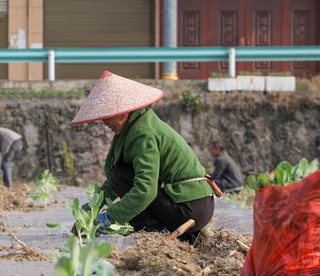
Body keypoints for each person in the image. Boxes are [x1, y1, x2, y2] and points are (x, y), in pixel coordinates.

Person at [72, 71, 215, 242]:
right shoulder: (132, 128)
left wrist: (107, 218)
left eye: (109, 116)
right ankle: (160, 226)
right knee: (122, 173)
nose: (105, 122)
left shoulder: (143, 133)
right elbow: (114, 182)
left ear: (126, 110)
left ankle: (156, 227)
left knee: (123, 175)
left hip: (189, 207)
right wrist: (93, 208)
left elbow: (145, 189)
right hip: (188, 204)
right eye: (103, 117)